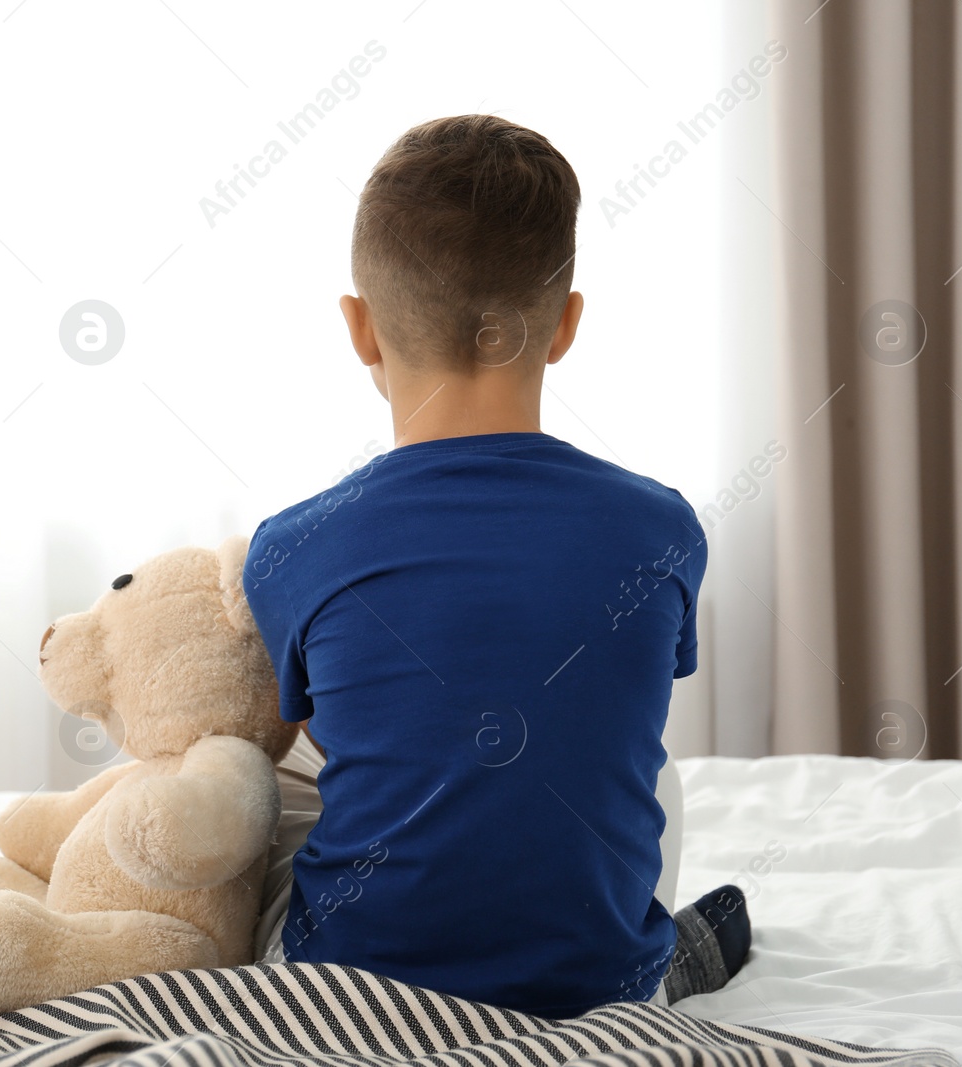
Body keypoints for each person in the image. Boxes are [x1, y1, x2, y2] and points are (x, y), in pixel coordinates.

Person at [242, 115, 748, 1016]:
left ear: (359, 328)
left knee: (271, 784)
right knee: (651, 770)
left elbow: (357, 735)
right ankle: (657, 962)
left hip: (352, 987)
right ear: (565, 326)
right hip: (593, 987)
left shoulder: (291, 545)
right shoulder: (662, 530)